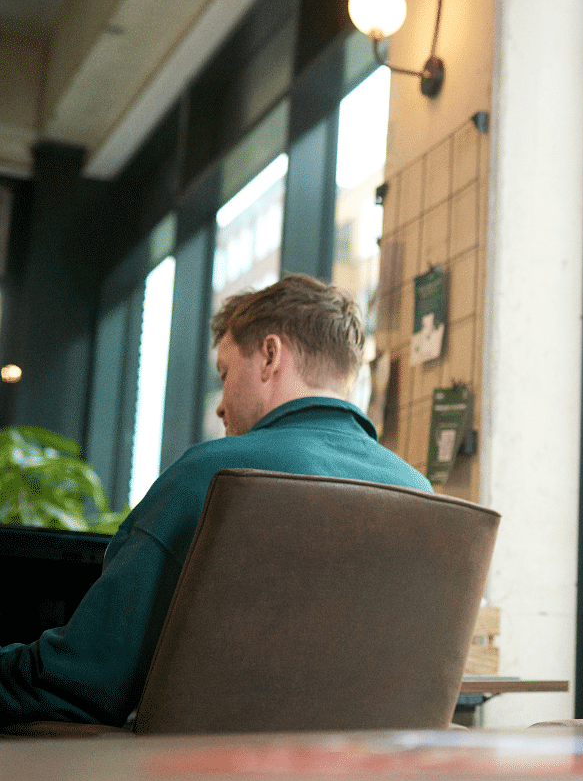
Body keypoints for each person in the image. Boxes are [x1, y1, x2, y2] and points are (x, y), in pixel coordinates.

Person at [0, 274, 430, 727]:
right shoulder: (420, 494)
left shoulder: (216, 474)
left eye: (224, 374)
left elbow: (84, 681)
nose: (221, 406)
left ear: (269, 356)